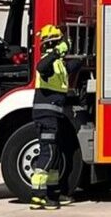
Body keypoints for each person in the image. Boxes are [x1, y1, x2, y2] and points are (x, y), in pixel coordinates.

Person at [30, 24, 86, 210]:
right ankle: (38, 195)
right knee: (49, 153)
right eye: (60, 41)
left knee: (56, 156)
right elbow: (41, 67)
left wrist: (79, 54)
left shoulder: (59, 64)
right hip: (46, 116)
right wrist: (57, 51)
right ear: (52, 43)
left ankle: (53, 193)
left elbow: (72, 66)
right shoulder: (48, 61)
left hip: (54, 115)